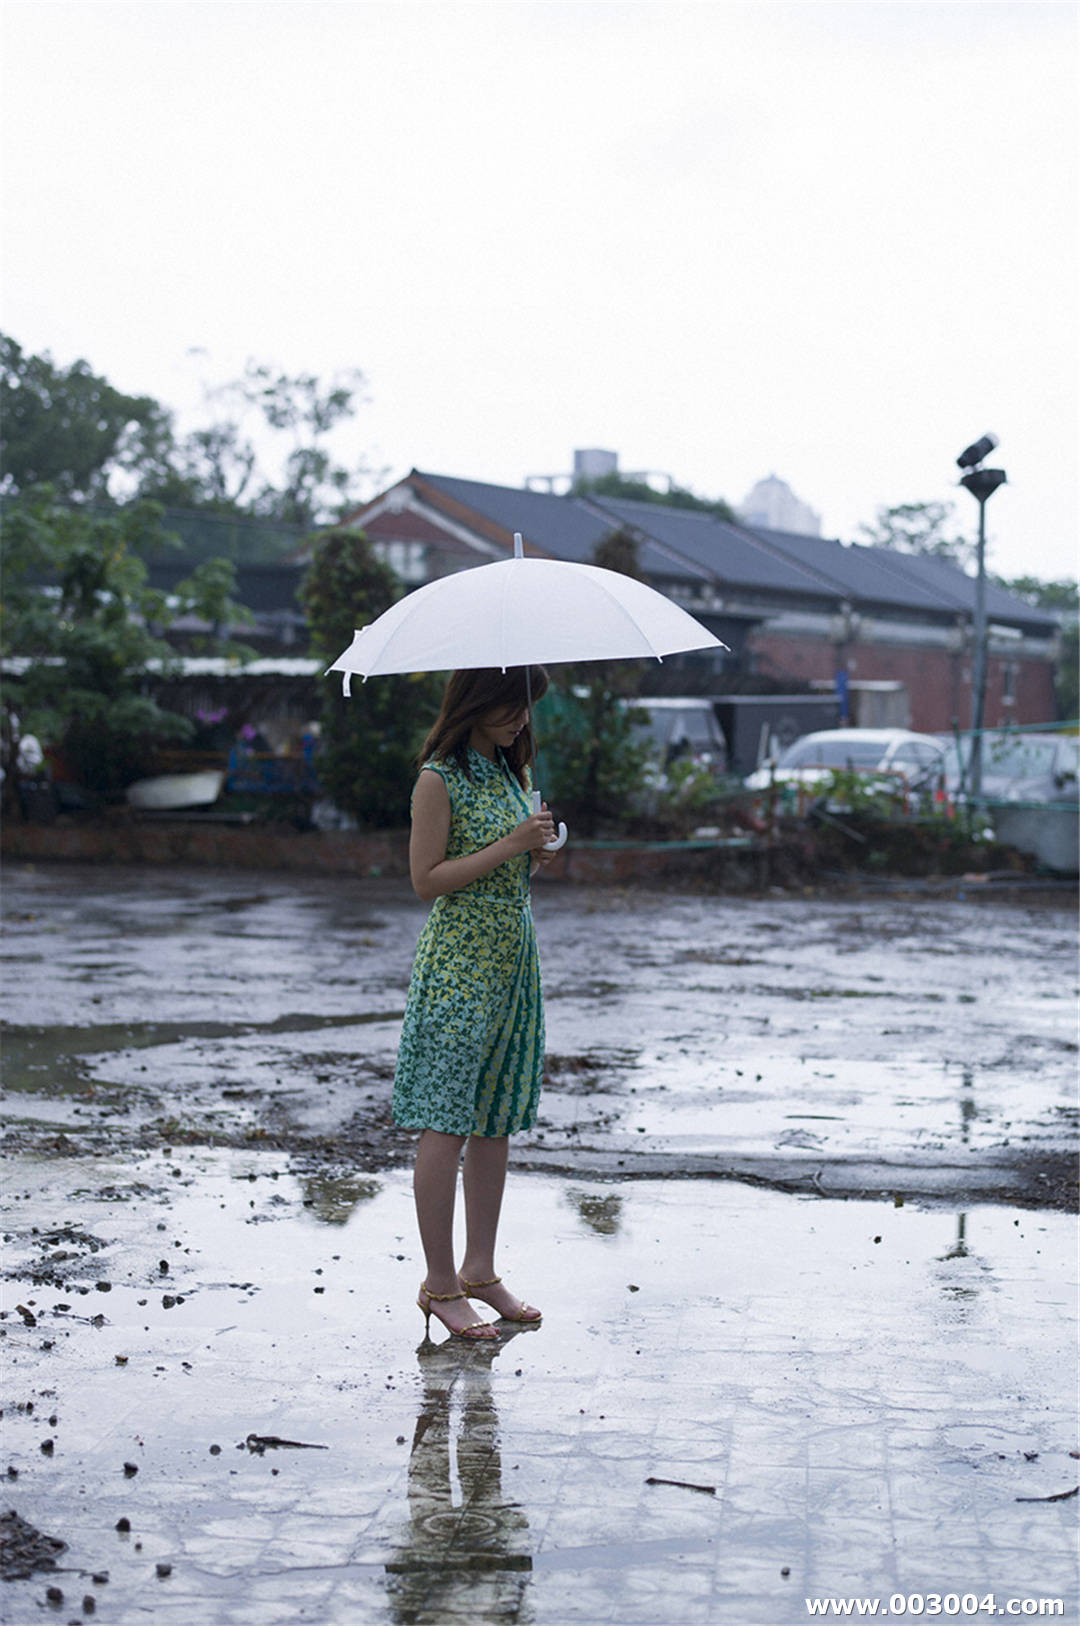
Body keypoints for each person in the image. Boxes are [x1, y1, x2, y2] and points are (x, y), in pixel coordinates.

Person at [393, 666, 556, 1341]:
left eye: (527, 708)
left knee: (495, 1120)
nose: (521, 719)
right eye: (511, 705)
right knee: (447, 1120)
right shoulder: (439, 778)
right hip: (459, 968)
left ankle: (480, 1271)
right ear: (477, 702)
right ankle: (438, 1284)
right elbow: (425, 879)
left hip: (513, 963)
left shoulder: (508, 774)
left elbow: (504, 860)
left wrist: (532, 853)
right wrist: (510, 846)